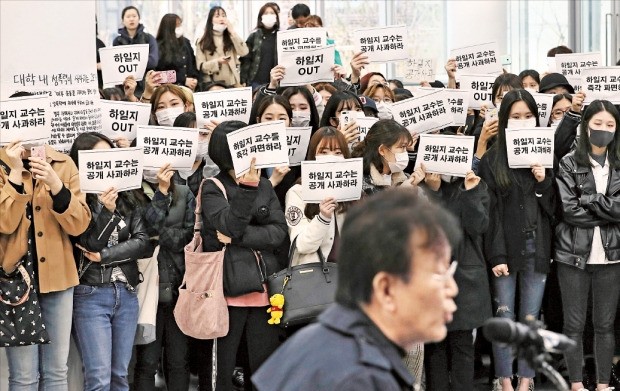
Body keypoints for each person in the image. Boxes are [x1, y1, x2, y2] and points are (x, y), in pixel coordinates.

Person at [252, 187, 460, 390]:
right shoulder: (358, 375)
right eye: (439, 274)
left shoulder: (339, 343)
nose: (452, 288)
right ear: (385, 288)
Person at [478, 89, 556, 391]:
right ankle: (504, 379)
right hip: (504, 250)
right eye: (516, 117)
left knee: (530, 318)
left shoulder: (545, 153)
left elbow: (554, 210)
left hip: (537, 248)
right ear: (504, 119)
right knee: (504, 317)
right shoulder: (493, 158)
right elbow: (490, 214)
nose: (523, 122)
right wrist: (496, 256)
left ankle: (526, 379)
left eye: (528, 116)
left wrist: (542, 182)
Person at [201, 121, 287, 391]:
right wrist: (247, 189)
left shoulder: (264, 184)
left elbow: (278, 233)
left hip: (264, 292)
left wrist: (238, 238)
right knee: (222, 374)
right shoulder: (212, 186)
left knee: (263, 372)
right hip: (226, 294)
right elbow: (227, 224)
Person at [1, 134, 91, 389]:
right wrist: (15, 174)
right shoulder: (1, 165)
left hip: (59, 278)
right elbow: (4, 222)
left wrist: (55, 183)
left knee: (56, 371)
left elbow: (80, 224)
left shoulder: (62, 163)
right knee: (23, 375)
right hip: (14, 282)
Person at [69, 132, 150, 391]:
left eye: (109, 155)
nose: (105, 163)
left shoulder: (128, 196)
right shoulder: (77, 200)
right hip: (90, 294)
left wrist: (105, 256)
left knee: (120, 376)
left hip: (126, 292)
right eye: (97, 157)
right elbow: (88, 243)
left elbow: (143, 242)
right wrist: (106, 212)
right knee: (99, 379)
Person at [554, 100, 620, 391]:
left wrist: (591, 202)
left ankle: (604, 385)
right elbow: (568, 209)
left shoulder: (619, 164)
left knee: (605, 325)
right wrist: (607, 214)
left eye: (610, 125)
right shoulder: (569, 162)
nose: (603, 130)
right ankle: (577, 385)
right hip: (573, 255)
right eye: (597, 124)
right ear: (585, 126)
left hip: (611, 256)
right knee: (574, 325)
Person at [423, 170, 492, 391]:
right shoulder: (423, 186)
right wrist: (433, 192)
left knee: (463, 344)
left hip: (466, 275)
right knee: (436, 346)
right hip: (430, 274)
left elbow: (478, 226)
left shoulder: (475, 185)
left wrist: (470, 192)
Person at [133, 161, 195, 391]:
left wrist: (157, 237)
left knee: (179, 359)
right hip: (146, 285)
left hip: (178, 282)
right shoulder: (131, 192)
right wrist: (160, 192)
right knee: (147, 361)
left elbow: (188, 237)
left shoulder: (185, 192)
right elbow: (141, 234)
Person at [284, 127, 352, 266]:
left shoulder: (353, 191)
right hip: (314, 278)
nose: (331, 157)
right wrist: (323, 218)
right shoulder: (297, 192)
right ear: (312, 155)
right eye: (324, 152)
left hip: (349, 275)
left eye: (338, 152)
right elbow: (302, 245)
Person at [351, 119, 420, 195]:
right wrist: (399, 194)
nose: (405, 152)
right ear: (382, 150)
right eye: (402, 147)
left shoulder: (406, 179)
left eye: (406, 148)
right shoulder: (360, 183)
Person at [196, 7, 248, 88]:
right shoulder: (203, 41)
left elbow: (244, 52)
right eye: (217, 16)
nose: (222, 19)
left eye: (223, 16)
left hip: (233, 83)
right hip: (214, 85)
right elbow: (201, 66)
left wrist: (233, 32)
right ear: (210, 20)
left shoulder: (231, 38)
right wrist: (217, 62)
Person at [240, 3, 280, 89]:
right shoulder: (253, 36)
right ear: (260, 17)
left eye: (272, 13)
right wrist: (243, 80)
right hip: (256, 81)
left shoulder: (281, 36)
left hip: (276, 81)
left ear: (276, 17)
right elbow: (246, 60)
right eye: (266, 13)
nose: (269, 15)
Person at [155, 13, 199, 91]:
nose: (180, 28)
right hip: (169, 89)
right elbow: (158, 75)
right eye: (177, 25)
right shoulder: (159, 46)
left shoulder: (185, 42)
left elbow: (193, 63)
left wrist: (194, 78)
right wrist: (183, 79)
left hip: (190, 88)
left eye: (180, 24)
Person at [112, 6, 159, 72]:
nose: (131, 19)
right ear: (123, 20)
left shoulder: (149, 38)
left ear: (139, 18)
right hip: (125, 80)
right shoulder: (117, 41)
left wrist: (128, 63)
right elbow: (115, 63)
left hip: (146, 79)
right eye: (128, 17)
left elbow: (153, 62)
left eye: (134, 16)